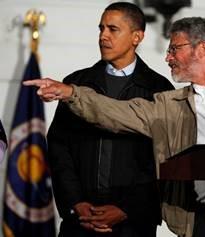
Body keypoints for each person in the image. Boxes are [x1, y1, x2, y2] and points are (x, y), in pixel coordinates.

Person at [24, 17, 205, 237]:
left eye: (175, 48)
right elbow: (117, 112)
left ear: (202, 49)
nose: (168, 57)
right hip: (202, 221)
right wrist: (72, 93)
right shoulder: (169, 104)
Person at [43, 2, 174, 237]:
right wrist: (75, 203)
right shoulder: (75, 83)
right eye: (101, 28)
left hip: (133, 225)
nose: (103, 36)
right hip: (80, 222)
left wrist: (127, 208)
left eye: (112, 29)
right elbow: (59, 149)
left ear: (137, 37)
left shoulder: (160, 90)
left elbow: (164, 159)